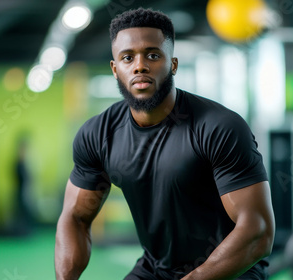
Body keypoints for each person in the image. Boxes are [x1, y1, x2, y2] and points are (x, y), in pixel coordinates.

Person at [55, 7, 275, 280]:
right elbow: (75, 217)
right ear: (115, 69)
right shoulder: (98, 134)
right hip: (156, 269)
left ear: (173, 63)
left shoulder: (219, 127)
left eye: (152, 55)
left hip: (230, 270)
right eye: (127, 57)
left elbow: (258, 231)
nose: (139, 65)